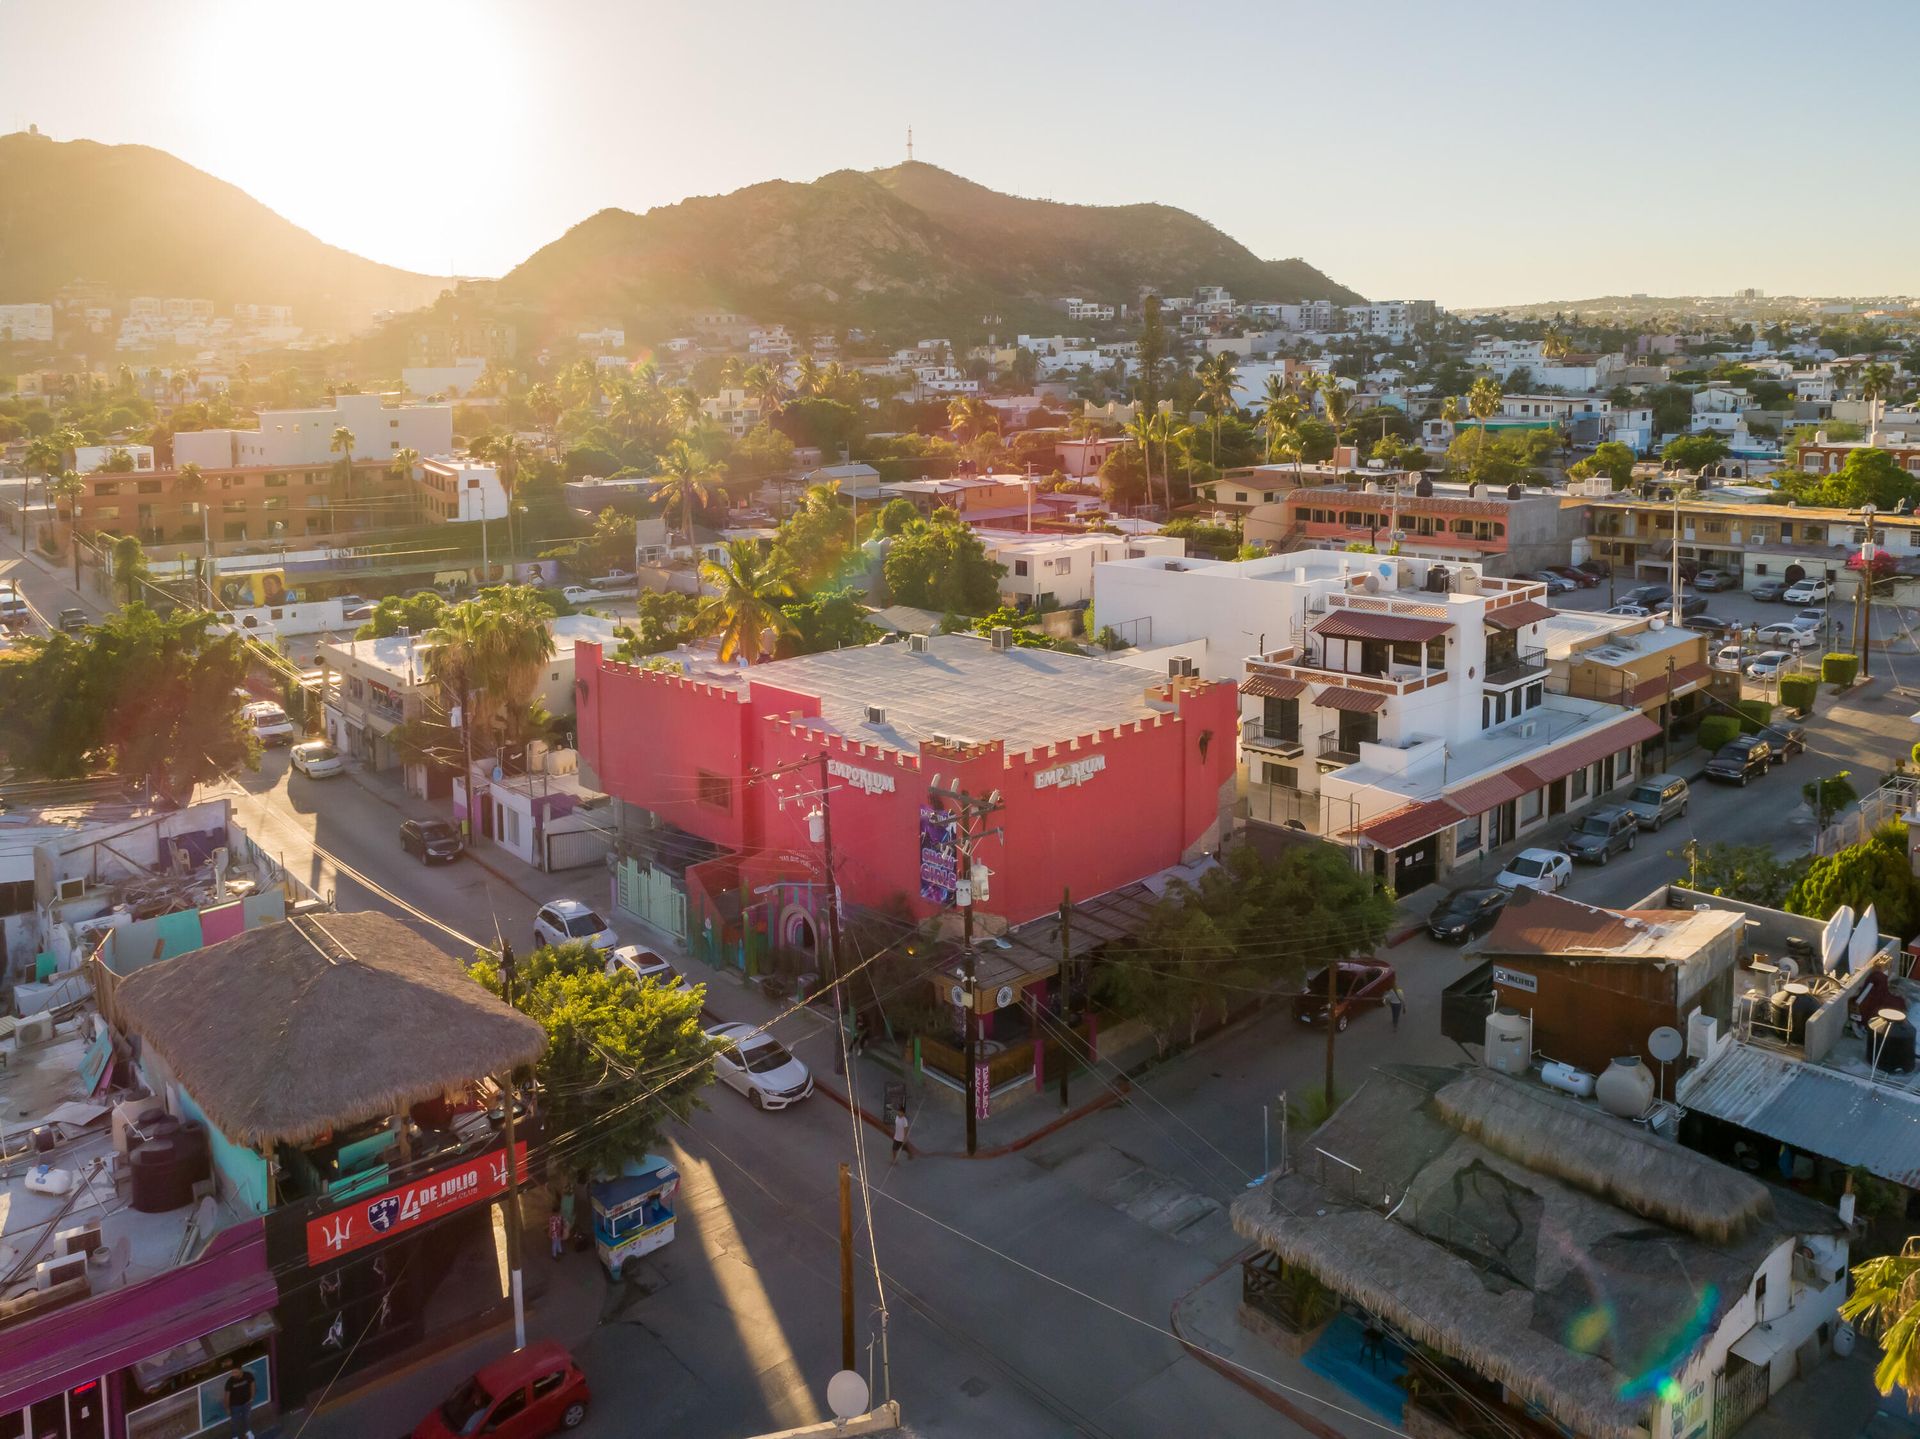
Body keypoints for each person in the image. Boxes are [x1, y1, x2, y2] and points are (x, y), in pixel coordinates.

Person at [224, 1360, 256, 1439]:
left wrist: (252, 1398)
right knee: (234, 1422)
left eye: (235, 1372)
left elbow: (253, 1385)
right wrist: (227, 1408)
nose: (233, 1374)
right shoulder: (230, 1382)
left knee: (247, 1418)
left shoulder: (248, 1375)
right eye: (232, 1372)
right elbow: (227, 1396)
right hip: (235, 1405)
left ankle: (248, 1432)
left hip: (246, 1402)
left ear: (240, 1370)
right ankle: (234, 1436)